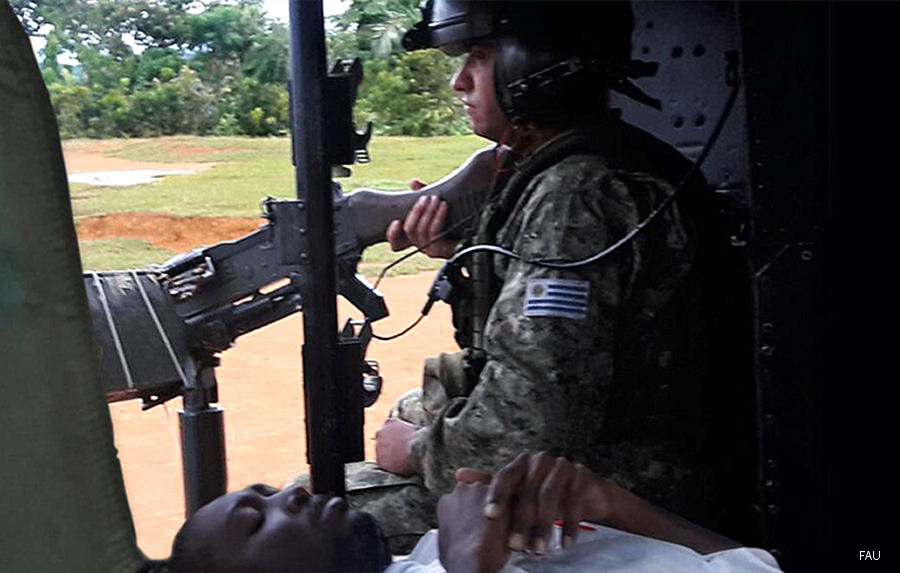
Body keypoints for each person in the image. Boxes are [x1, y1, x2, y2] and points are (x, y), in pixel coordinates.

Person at [295, 0, 754, 553]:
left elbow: (525, 432)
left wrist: (419, 452)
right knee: (402, 418)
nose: (458, 82)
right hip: (605, 462)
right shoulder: (582, 163)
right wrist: (459, 253)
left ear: (533, 64)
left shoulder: (576, 194)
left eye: (479, 58)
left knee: (309, 525)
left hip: (613, 494)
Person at [155, 454, 780, 573]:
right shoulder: (457, 555)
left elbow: (749, 566)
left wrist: (617, 506)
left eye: (263, 491)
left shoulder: (434, 552)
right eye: (255, 521)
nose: (287, 496)